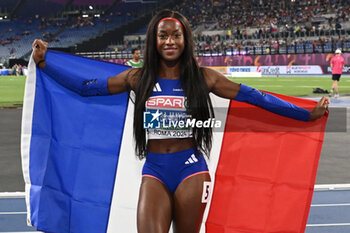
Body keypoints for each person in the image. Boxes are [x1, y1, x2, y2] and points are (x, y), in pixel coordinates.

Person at [32, 10, 329, 233]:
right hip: (154, 170)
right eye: (163, 36)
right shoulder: (138, 78)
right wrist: (45, 64)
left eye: (176, 35)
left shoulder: (204, 78)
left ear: (185, 40)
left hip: (191, 171)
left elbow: (257, 98)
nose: (170, 41)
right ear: (154, 40)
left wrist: (305, 113)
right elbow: (87, 87)